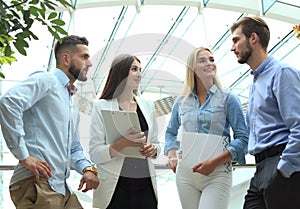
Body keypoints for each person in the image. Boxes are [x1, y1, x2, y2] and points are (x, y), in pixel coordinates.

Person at [0, 35, 99, 209]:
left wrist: (88, 169)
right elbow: (9, 102)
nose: (89, 63)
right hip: (37, 183)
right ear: (66, 58)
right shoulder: (47, 80)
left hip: (59, 187)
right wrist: (23, 155)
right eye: (84, 57)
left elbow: (74, 148)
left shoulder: (70, 102)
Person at [164, 47, 249, 209]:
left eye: (211, 59)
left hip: (217, 172)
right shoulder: (181, 102)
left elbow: (243, 138)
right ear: (192, 69)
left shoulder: (228, 98)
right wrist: (171, 153)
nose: (209, 63)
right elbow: (170, 132)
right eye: (202, 60)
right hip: (186, 174)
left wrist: (213, 162)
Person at [230, 16, 300, 209]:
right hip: (260, 168)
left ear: (253, 38)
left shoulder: (282, 73)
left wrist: (284, 168)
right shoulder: (255, 83)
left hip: (281, 164)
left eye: (236, 40)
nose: (232, 47)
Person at [89, 54, 161, 209]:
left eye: (140, 70)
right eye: (134, 69)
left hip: (145, 185)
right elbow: (95, 153)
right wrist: (122, 144)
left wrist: (153, 149)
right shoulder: (101, 107)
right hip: (115, 188)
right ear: (120, 73)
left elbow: (156, 144)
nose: (139, 74)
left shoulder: (148, 105)